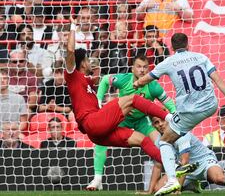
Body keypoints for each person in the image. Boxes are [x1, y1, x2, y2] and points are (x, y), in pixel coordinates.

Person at [133, 33, 225, 195]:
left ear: (171, 47)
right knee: (176, 136)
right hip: (210, 106)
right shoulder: (201, 57)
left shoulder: (168, 62)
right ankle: (190, 180)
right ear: (188, 44)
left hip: (188, 112)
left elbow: (147, 78)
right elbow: (218, 80)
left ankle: (172, 181)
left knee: (164, 142)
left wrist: (137, 83)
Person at [64, 17, 172, 166]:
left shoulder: (87, 84)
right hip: (94, 123)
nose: (90, 62)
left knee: (143, 140)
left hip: (97, 133)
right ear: (82, 63)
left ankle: (173, 166)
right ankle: (169, 118)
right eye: (88, 60)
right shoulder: (73, 76)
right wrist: (73, 26)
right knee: (133, 99)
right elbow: (70, 50)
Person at [86, 55, 176, 191]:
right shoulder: (124, 79)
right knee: (100, 140)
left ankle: (172, 176)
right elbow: (105, 80)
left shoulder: (153, 86)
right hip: (121, 119)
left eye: (145, 67)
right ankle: (97, 178)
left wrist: (175, 115)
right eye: (139, 66)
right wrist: (98, 101)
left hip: (142, 121)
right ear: (133, 68)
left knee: (160, 143)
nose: (142, 70)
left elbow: (168, 102)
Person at [147, 115, 225, 194]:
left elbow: (185, 161)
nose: (161, 124)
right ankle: (191, 185)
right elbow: (158, 165)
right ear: (153, 125)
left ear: (168, 119)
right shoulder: (160, 142)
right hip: (185, 170)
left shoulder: (181, 132)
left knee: (219, 179)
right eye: (156, 123)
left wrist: (177, 188)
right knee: (158, 190)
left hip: (204, 161)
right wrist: (150, 190)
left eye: (162, 120)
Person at [0, 68, 28, 132]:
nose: (2, 81)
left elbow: (23, 123)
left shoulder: (19, 98)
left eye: (5, 78)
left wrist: (15, 132)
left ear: (8, 80)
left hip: (14, 134)